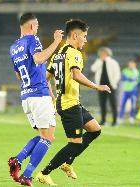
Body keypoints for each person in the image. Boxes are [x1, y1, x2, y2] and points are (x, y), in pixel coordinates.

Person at [35, 19, 111, 185]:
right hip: (69, 105)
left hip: (69, 103)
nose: (85, 39)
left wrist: (53, 97)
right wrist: (97, 86)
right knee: (75, 144)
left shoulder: (59, 53)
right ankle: (44, 173)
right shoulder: (74, 53)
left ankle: (67, 163)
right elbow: (76, 75)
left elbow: (45, 78)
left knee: (95, 130)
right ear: (75, 35)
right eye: (84, 36)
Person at [8, 13, 63, 186]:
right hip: (38, 95)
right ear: (32, 26)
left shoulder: (13, 48)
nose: (37, 29)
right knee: (48, 138)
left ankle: (17, 160)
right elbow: (39, 58)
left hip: (27, 96)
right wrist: (56, 41)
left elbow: (18, 75)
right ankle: (27, 174)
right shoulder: (33, 40)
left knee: (43, 136)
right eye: (37, 26)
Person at [91, 47, 121, 126]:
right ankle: (103, 120)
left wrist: (113, 83)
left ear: (107, 53)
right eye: (101, 53)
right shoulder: (98, 61)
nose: (102, 55)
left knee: (113, 104)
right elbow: (93, 69)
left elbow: (117, 74)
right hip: (101, 86)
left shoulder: (113, 62)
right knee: (102, 104)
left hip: (111, 86)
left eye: (103, 53)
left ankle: (115, 121)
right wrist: (100, 61)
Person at [118, 59, 140, 124]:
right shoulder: (125, 71)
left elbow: (136, 80)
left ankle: (131, 117)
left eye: (132, 64)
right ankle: (120, 118)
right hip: (125, 90)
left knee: (133, 105)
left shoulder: (136, 71)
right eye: (130, 64)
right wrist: (129, 78)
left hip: (133, 91)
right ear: (128, 64)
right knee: (122, 104)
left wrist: (129, 78)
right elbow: (122, 78)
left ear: (135, 65)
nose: (131, 65)